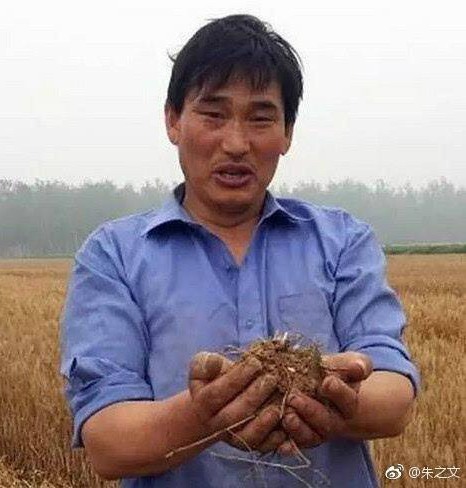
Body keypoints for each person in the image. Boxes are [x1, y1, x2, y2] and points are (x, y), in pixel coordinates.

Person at [60, 14, 420, 488]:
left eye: (261, 118)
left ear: (287, 133)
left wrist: (324, 392)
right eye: (213, 114)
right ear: (173, 120)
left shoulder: (342, 241)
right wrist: (204, 415)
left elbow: (394, 396)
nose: (235, 144)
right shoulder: (114, 256)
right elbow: (108, 443)